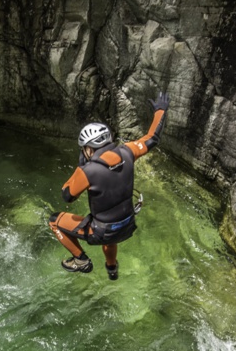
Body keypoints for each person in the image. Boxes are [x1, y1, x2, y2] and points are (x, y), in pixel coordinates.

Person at [48, 91, 169, 280]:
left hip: (102, 231)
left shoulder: (88, 171)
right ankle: (112, 269)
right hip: (127, 225)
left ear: (89, 148)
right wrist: (160, 110)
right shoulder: (127, 151)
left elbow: (67, 195)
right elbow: (152, 138)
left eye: (83, 149)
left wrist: (80, 167)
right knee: (111, 234)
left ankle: (81, 260)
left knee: (54, 220)